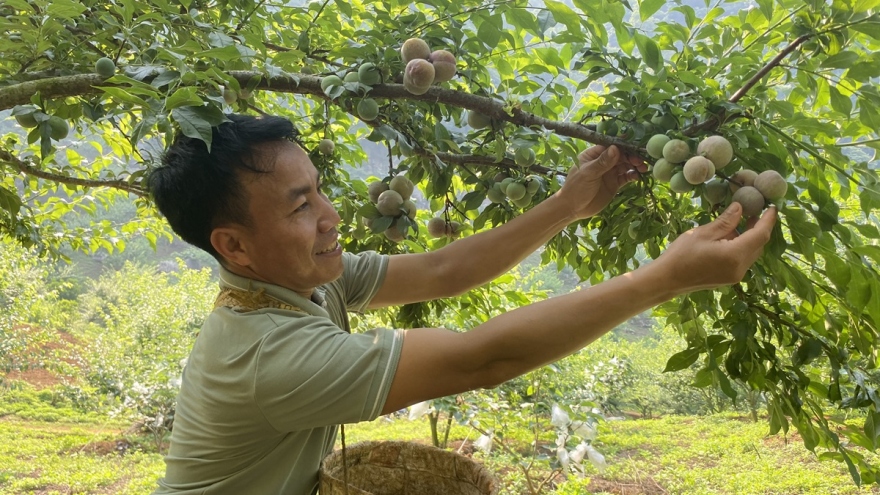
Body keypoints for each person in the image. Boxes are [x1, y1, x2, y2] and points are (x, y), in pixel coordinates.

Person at [147, 114, 776, 494]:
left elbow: (443, 270)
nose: (330, 216)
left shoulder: (302, 281)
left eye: (319, 190)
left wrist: (569, 203)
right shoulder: (269, 354)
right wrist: (663, 279)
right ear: (234, 245)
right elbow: (482, 359)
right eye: (299, 206)